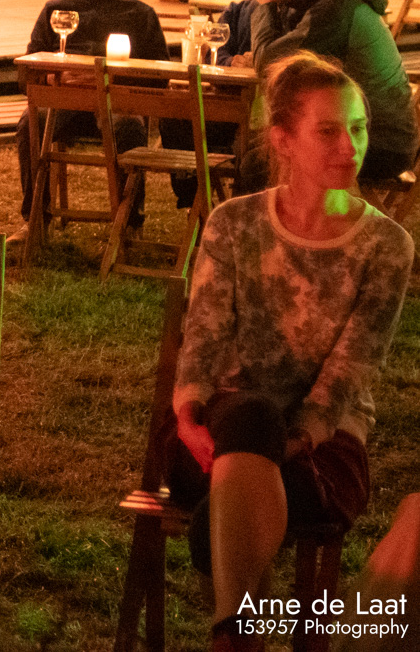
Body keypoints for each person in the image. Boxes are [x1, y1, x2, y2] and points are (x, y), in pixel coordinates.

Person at [170, 51, 411, 651]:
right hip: (222, 432)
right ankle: (244, 628)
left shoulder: (386, 245)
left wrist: (291, 441)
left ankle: (234, 632)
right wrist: (188, 418)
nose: (349, 147)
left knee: (229, 504)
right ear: (282, 140)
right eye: (328, 131)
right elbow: (203, 340)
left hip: (322, 444)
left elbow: (348, 372)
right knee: (250, 414)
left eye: (358, 128)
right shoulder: (234, 224)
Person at [14, 0, 170, 232]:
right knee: (30, 123)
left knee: (130, 129)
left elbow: (161, 75)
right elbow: (26, 75)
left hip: (117, 105)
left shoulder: (140, 14)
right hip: (66, 105)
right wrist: (53, 79)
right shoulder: (58, 11)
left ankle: (129, 224)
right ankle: (36, 221)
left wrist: (113, 82)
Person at [250, 0, 417, 185]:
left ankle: (279, 215)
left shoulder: (336, 8)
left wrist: (266, 5)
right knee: (264, 148)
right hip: (377, 135)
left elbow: (269, 64)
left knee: (257, 161)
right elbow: (287, 53)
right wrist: (282, 5)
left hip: (379, 144)